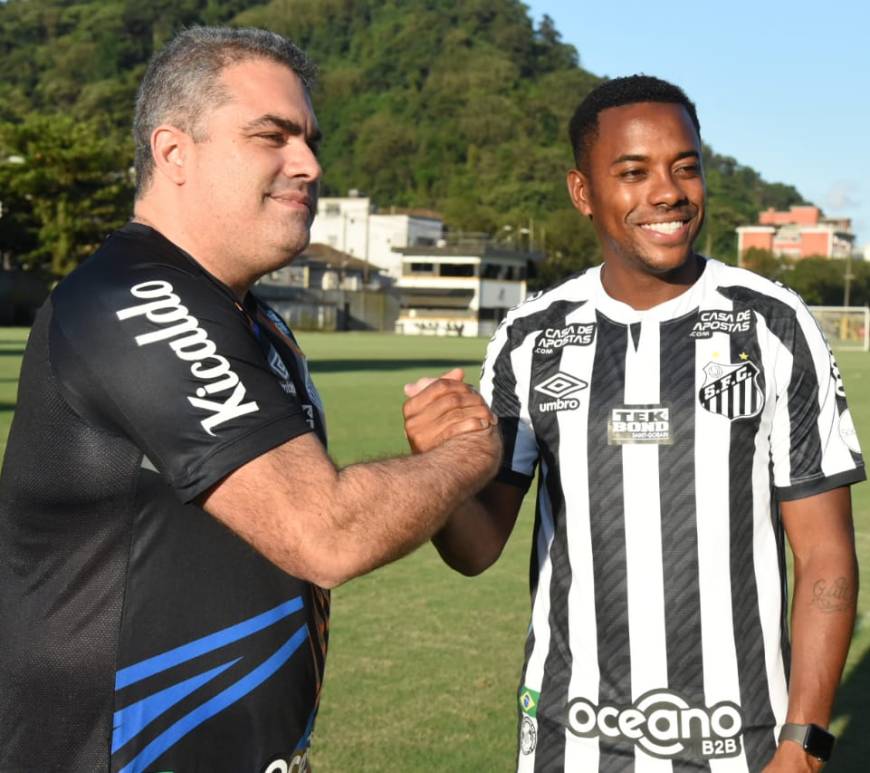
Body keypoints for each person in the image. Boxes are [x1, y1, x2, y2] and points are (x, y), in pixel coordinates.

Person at [0, 27, 499, 773]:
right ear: (174, 152)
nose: (310, 164)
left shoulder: (256, 322)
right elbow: (325, 533)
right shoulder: (136, 297)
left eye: (311, 141)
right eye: (273, 136)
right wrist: (468, 451)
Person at [403, 75, 864, 773]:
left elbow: (825, 555)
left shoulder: (772, 323)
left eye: (685, 167)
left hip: (741, 741)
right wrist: (434, 467)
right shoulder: (532, 338)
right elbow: (476, 548)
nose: (668, 192)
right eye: (633, 172)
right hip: (570, 737)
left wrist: (803, 745)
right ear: (582, 192)